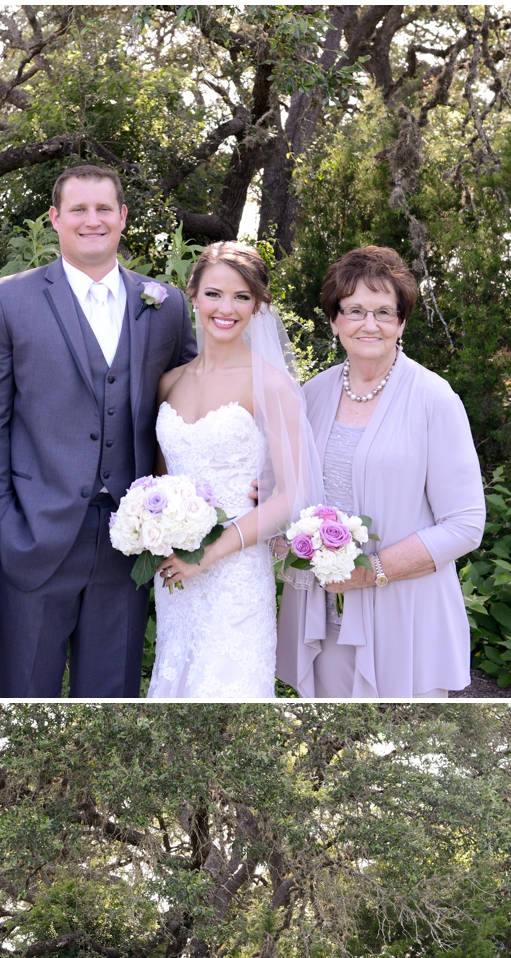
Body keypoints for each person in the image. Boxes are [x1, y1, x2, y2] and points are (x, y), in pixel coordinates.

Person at [0, 164, 197, 698]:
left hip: (130, 539)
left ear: (122, 217)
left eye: (102, 209)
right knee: (24, 698)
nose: (91, 220)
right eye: (78, 209)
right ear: (55, 218)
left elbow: (190, 408)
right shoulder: (8, 300)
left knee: (111, 698)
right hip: (33, 534)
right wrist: (0, 526)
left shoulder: (165, 306)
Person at [276, 244, 486, 699]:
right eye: (354, 310)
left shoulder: (435, 399)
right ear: (334, 321)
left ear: (401, 322)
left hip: (406, 620)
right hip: (323, 618)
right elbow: (291, 493)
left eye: (383, 312)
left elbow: (466, 525)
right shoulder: (311, 395)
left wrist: (370, 571)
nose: (369, 324)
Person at [148, 243, 313, 698]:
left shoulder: (272, 385)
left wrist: (209, 555)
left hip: (236, 573)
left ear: (258, 304)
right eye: (215, 294)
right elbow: (160, 484)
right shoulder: (170, 381)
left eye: (242, 297)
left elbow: (292, 495)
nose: (227, 308)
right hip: (175, 574)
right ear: (194, 296)